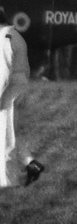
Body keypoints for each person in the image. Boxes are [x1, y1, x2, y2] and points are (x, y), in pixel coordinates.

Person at [1, 13, 42, 188]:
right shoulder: (16, 37)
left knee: (5, 139)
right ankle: (29, 162)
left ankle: (6, 182)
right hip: (17, 89)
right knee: (11, 134)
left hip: (7, 92)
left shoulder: (4, 38)